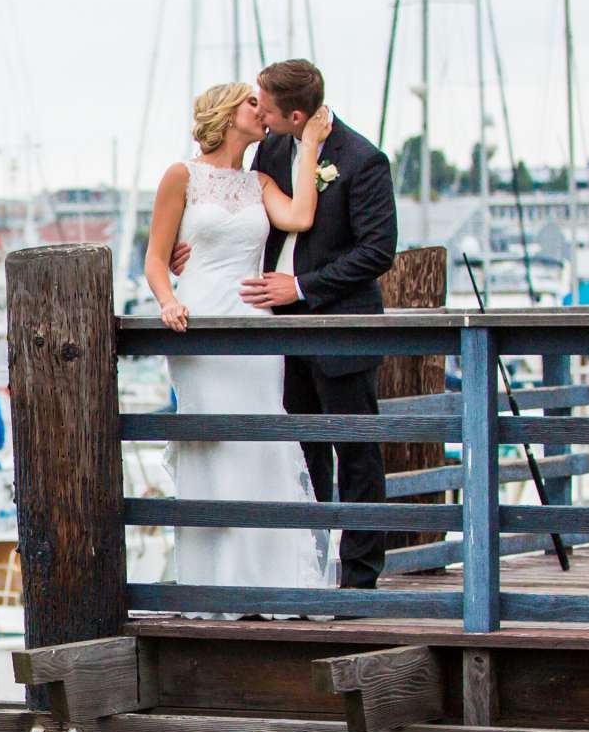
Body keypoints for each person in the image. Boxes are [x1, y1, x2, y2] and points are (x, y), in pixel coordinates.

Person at [143, 81, 334, 609]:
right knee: (215, 446)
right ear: (228, 115)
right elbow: (156, 259)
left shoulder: (261, 181)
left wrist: (313, 144)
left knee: (261, 443)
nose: (262, 110)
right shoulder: (181, 177)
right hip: (200, 324)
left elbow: (298, 217)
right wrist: (167, 301)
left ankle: (275, 581)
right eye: (253, 102)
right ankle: (216, 583)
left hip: (254, 323)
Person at [240, 58, 399, 589]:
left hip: (340, 329)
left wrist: (303, 286)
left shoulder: (362, 159)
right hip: (281, 331)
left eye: (265, 104)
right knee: (301, 453)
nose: (257, 110)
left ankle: (359, 578)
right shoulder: (273, 147)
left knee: (354, 451)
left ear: (297, 113)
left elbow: (378, 250)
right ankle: (307, 567)